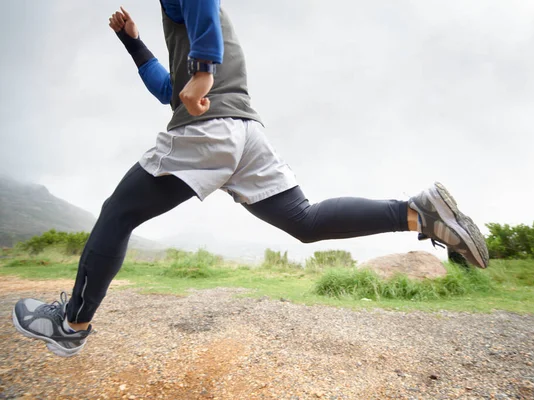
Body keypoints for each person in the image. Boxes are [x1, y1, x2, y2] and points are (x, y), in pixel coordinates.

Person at [12, 2, 489, 357]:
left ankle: (71, 325)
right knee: (305, 220)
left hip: (210, 128)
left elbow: (193, 67)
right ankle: (417, 212)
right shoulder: (183, 27)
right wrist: (136, 43)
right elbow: (168, 90)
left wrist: (201, 71)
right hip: (244, 132)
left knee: (118, 212)